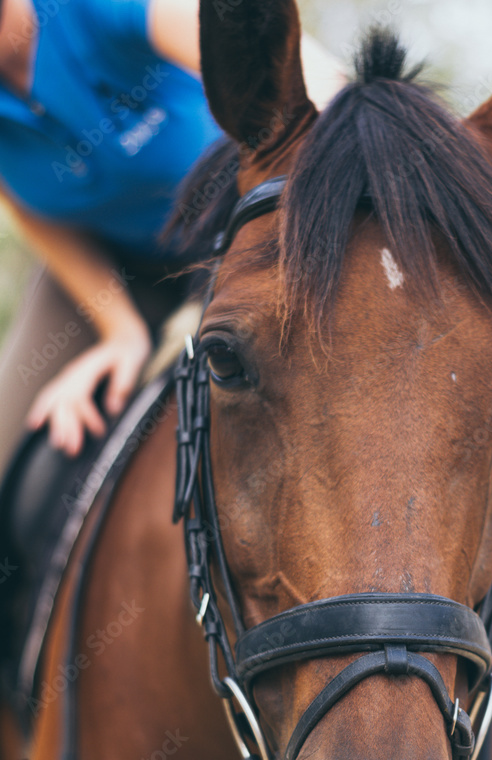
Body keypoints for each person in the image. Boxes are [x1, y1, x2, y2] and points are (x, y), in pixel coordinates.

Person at [0, 0, 492, 760]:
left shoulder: (109, 8)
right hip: (111, 281)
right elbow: (37, 210)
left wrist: (358, 193)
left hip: (271, 233)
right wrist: (120, 333)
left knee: (465, 462)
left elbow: (318, 90)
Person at [0, 0, 343, 467]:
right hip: (114, 266)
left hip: (248, 229)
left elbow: (314, 80)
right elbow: (34, 211)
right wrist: (120, 331)